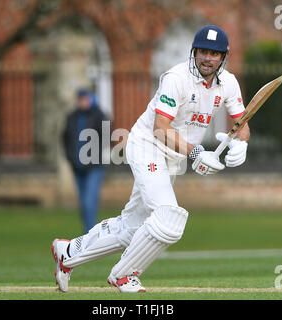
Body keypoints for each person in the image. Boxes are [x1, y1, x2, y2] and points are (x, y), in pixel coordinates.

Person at [52, 25, 250, 293]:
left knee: (132, 228)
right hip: (148, 145)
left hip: (172, 156)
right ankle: (124, 275)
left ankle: (68, 252)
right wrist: (195, 153)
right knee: (168, 216)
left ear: (223, 56)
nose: (207, 58)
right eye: (203, 51)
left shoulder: (229, 83)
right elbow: (160, 127)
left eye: (214, 54)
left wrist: (241, 143)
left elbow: (242, 123)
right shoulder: (176, 78)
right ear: (194, 52)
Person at [62, 89, 107, 233]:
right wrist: (70, 157)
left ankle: (90, 234)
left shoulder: (98, 115)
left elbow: (107, 136)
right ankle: (88, 232)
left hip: (94, 167)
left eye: (85, 99)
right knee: (83, 204)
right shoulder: (72, 117)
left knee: (89, 201)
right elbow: (65, 138)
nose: (83, 102)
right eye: (80, 99)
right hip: (77, 167)